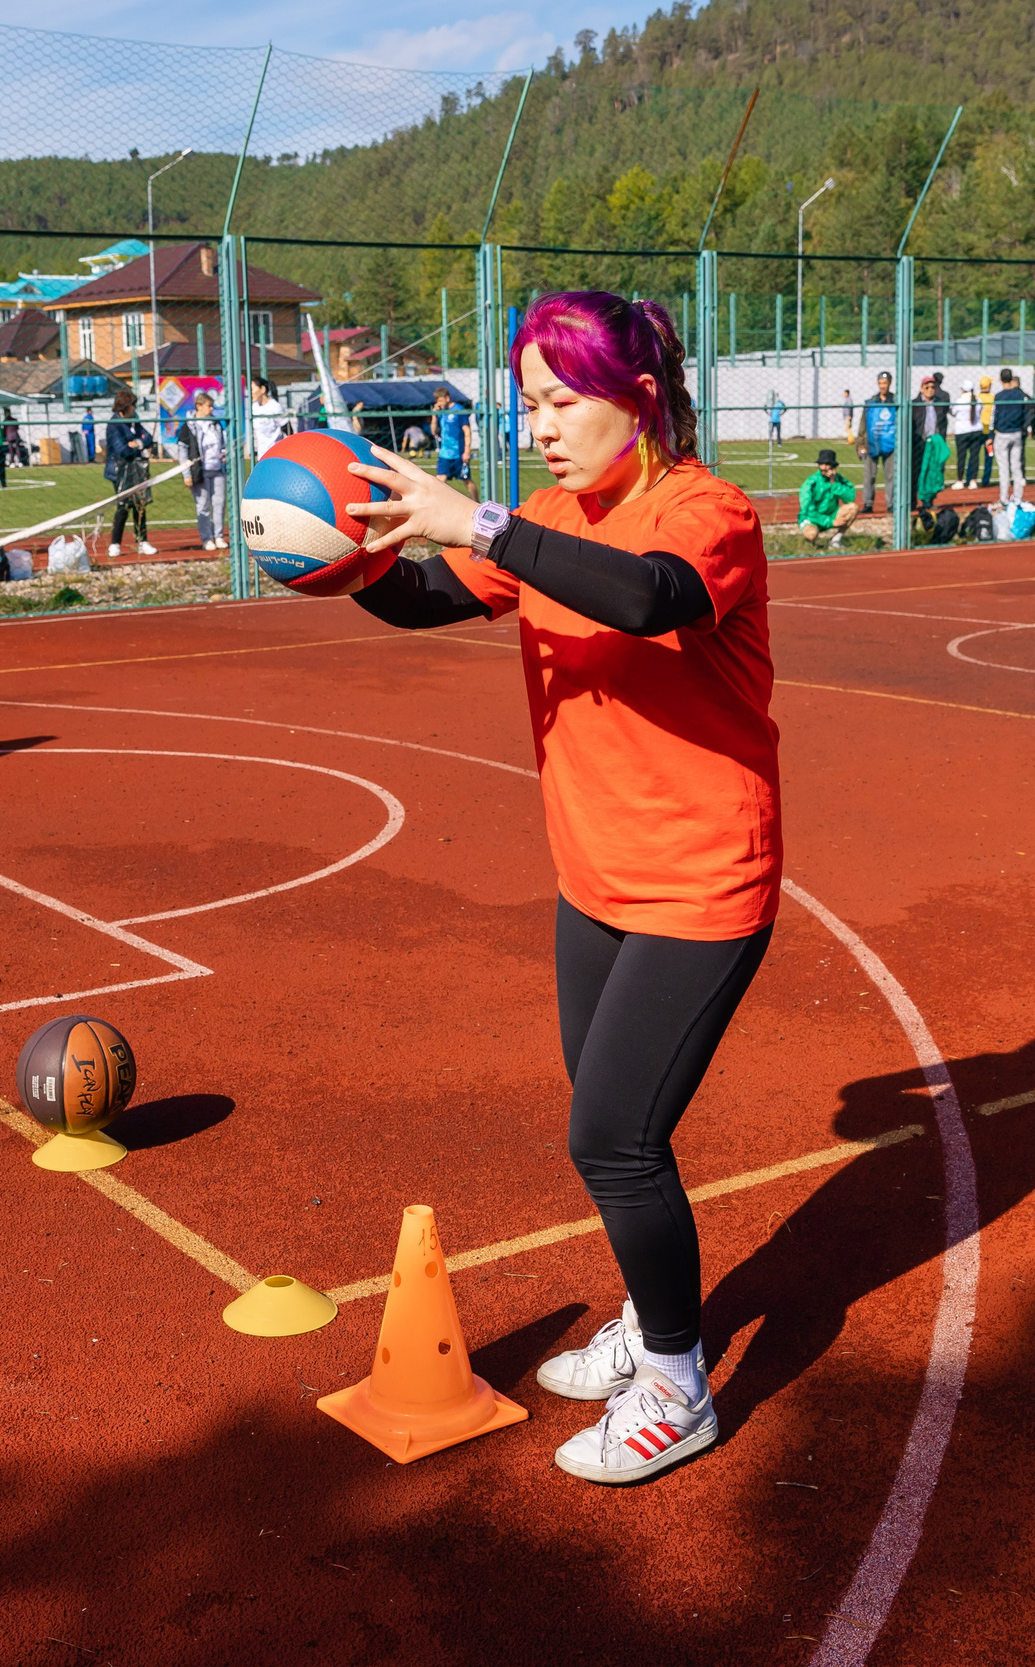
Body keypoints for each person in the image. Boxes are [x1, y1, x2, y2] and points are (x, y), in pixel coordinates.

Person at [341, 289, 779, 1486]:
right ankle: (654, 1315)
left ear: (637, 401)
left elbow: (646, 596)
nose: (539, 424)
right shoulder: (545, 513)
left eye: (561, 400)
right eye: (527, 401)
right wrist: (343, 554)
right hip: (594, 881)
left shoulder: (705, 511)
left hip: (700, 885)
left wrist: (471, 519)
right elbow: (433, 595)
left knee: (612, 1140)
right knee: (614, 1126)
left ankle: (678, 1384)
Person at [103, 387, 160, 556]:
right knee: (123, 506)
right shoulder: (114, 425)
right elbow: (121, 450)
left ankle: (142, 540)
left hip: (137, 470)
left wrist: (138, 443)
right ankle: (115, 543)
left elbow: (147, 438)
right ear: (123, 407)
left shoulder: (135, 420)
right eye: (131, 406)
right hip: (119, 472)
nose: (134, 409)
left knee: (139, 505)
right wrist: (136, 444)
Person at [178, 392, 229, 552]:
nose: (212, 409)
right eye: (209, 405)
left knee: (219, 504)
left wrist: (224, 454)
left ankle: (219, 535)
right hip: (200, 471)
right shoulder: (189, 426)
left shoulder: (216, 424)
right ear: (199, 406)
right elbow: (182, 451)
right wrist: (186, 474)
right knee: (203, 506)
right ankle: (206, 538)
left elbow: (222, 444)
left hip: (217, 470)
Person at [854, 372, 896, 512]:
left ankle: (891, 504)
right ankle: (868, 503)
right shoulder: (871, 402)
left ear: (890, 383)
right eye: (880, 383)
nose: (882, 386)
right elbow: (863, 424)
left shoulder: (895, 401)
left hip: (891, 444)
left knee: (891, 476)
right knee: (869, 476)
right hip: (872, 443)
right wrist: (860, 443)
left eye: (885, 383)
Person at [795, 448, 858, 540]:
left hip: (832, 515)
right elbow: (808, 510)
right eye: (821, 464)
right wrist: (830, 522)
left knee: (853, 507)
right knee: (811, 534)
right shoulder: (811, 483)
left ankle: (836, 539)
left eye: (827, 464)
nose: (824, 467)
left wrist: (834, 484)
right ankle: (811, 545)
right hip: (812, 519)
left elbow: (850, 498)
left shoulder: (838, 479)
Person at [991, 368, 1031, 508]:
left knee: (1004, 469)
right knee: (1017, 467)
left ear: (1000, 379)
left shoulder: (999, 396)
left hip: (1002, 433)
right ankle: (1018, 498)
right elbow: (1026, 411)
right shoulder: (1019, 395)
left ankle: (1004, 498)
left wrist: (991, 434)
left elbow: (994, 417)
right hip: (1016, 433)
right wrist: (1024, 427)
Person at [432, 386, 472, 483]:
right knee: (440, 480)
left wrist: (467, 451)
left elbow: (467, 430)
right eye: (438, 401)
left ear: (447, 398)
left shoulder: (458, 409)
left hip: (458, 453)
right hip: (444, 454)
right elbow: (434, 432)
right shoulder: (441, 412)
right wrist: (434, 415)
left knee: (467, 481)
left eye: (441, 400)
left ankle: (475, 499)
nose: (439, 403)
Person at [951, 377, 986, 486]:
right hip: (976, 430)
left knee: (961, 456)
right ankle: (973, 480)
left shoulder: (959, 401)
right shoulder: (978, 400)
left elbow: (953, 412)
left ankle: (960, 480)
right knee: (974, 456)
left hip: (962, 431)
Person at [248, 376, 291, 460]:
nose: (250, 393)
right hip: (261, 456)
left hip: (276, 455)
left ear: (262, 389)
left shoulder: (275, 407)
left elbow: (288, 430)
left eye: (252, 389)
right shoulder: (254, 407)